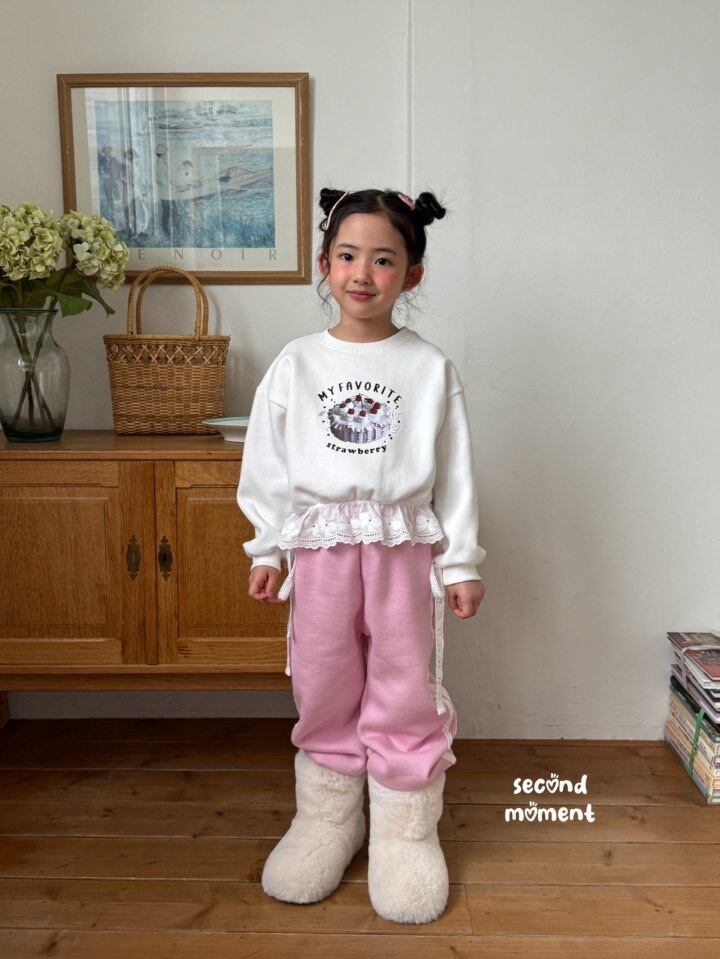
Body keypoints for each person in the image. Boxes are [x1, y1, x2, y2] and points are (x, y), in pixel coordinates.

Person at [237, 188, 487, 925]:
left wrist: (461, 563)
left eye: (384, 259)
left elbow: (456, 473)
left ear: (412, 274)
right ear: (324, 263)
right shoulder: (296, 363)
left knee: (404, 682)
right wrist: (267, 548)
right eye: (348, 255)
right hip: (319, 553)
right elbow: (267, 465)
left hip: (402, 551)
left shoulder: (429, 367)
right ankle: (328, 818)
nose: (363, 273)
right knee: (324, 679)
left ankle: (405, 831)